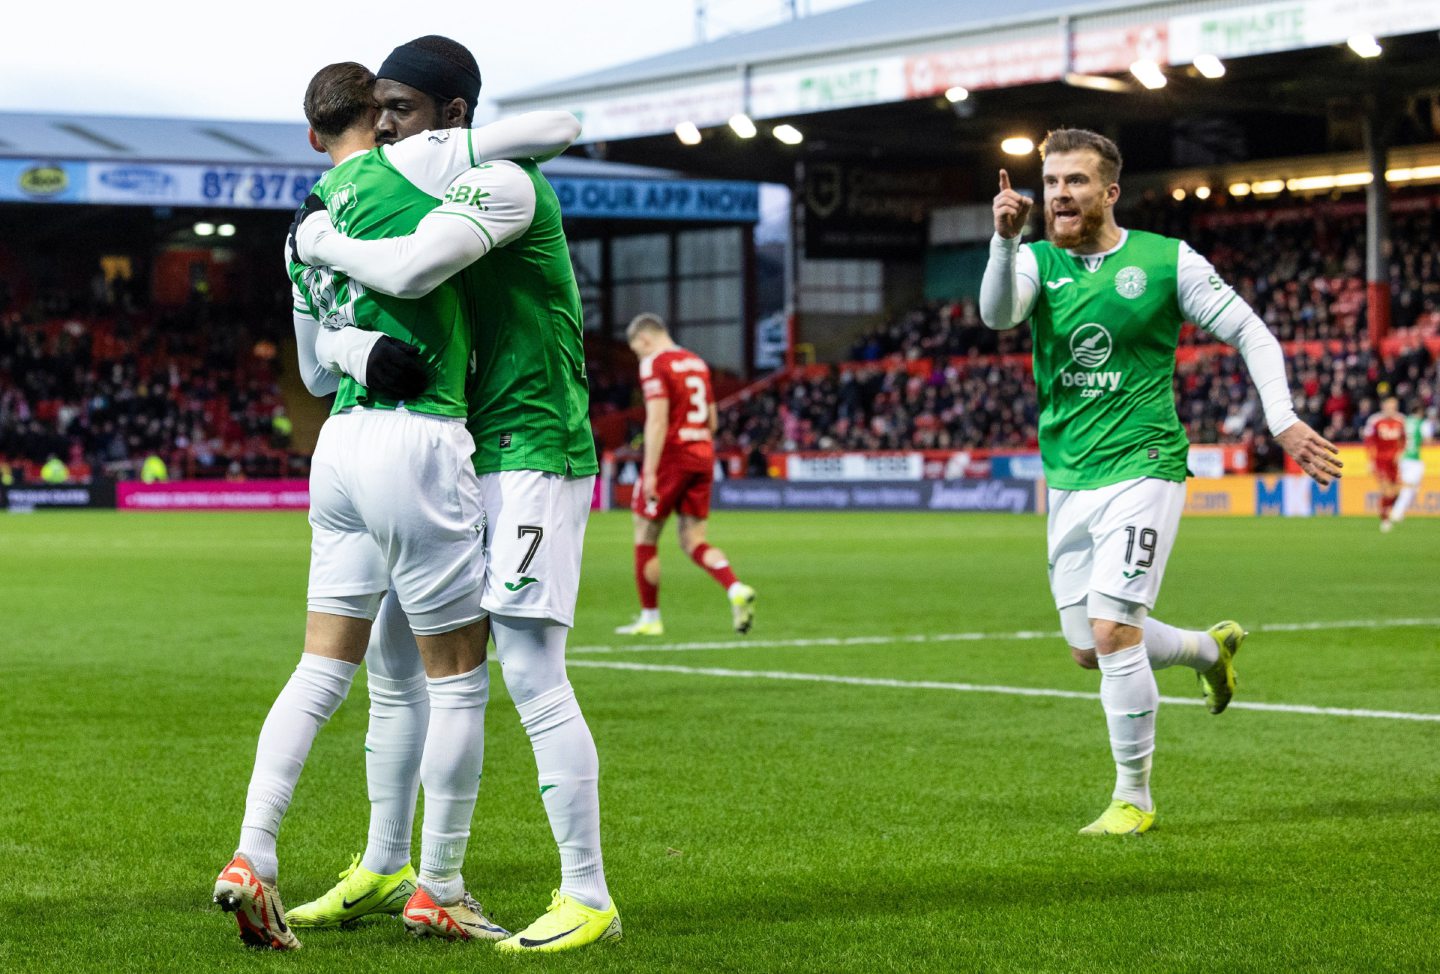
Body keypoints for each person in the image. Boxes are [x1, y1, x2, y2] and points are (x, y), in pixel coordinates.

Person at [291, 35, 619, 953]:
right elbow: (330, 348)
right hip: (465, 449)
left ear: (455, 118)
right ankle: (391, 865)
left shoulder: (501, 185)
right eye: (373, 111)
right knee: (395, 666)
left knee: (528, 667)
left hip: (533, 448)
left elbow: (409, 273)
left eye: (397, 109)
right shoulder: (414, 186)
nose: (381, 128)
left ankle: (587, 892)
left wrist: (317, 234)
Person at [213, 60, 512, 951]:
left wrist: (350, 345)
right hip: (418, 440)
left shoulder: (302, 223)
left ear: (313, 134)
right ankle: (442, 885)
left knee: (320, 671)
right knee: (458, 678)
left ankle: (253, 854)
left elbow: (309, 371)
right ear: (383, 120)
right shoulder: (413, 175)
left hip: (338, 447)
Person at [980, 128, 1342, 836]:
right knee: (1090, 647)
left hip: (1145, 464)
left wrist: (1284, 421)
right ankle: (1209, 650)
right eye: (1051, 182)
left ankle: (1133, 799)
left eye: (1076, 181)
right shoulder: (1034, 262)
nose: (1059, 194)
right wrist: (1001, 242)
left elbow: (1251, 333)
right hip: (1068, 477)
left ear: (1109, 192)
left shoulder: (1165, 261)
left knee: (1115, 631)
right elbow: (998, 316)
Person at [614, 313, 756, 636]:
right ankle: (735, 588)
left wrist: (648, 472)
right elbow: (713, 422)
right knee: (694, 540)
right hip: (703, 454)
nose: (639, 356)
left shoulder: (654, 363)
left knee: (645, 534)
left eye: (637, 350)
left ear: (645, 339)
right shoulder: (696, 362)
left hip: (671, 456)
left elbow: (657, 421)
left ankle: (650, 618)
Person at [1364, 396, 1407, 531]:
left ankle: (1389, 511)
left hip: (1394, 462)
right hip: (1380, 461)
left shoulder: (1400, 420)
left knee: (1397, 492)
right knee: (1386, 491)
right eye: (1389, 407)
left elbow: (1404, 440)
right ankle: (1385, 520)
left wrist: (1400, 453)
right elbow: (1369, 442)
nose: (1391, 409)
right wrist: (1370, 461)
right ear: (1383, 407)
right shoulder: (1375, 420)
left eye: (1394, 407)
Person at [1390, 400, 1434, 524]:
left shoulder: (1404, 421)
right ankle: (1396, 512)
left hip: (1402, 457)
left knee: (1410, 486)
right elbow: (1428, 441)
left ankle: (1397, 510)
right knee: (1411, 487)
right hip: (1414, 459)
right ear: (1420, 411)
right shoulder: (1423, 423)